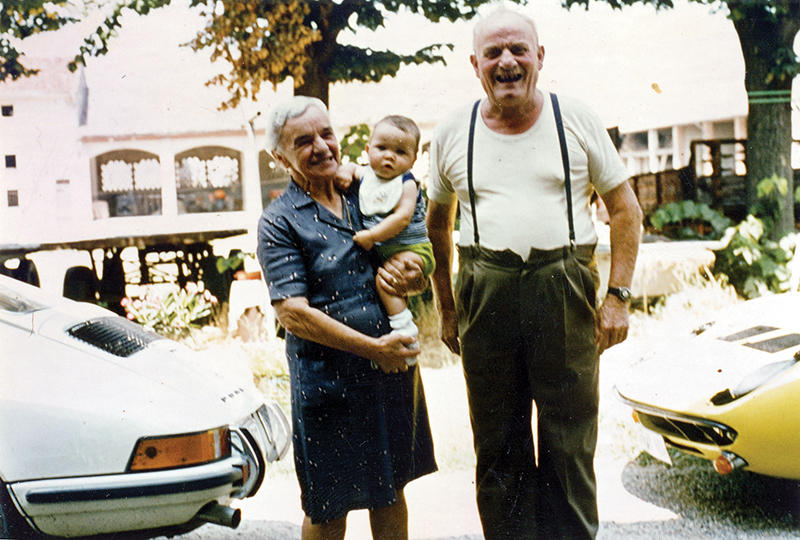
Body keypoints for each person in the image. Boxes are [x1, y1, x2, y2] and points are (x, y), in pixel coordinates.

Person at [426, 8, 642, 540]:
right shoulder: (453, 130)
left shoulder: (576, 119)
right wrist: (448, 308)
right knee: (498, 446)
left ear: (539, 57)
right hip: (485, 290)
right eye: (494, 53)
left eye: (519, 50)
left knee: (569, 444)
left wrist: (617, 297)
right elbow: (436, 225)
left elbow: (625, 211)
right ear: (475, 63)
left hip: (561, 286)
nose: (507, 62)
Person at [256, 96, 437, 540]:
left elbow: (415, 238)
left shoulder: (366, 189)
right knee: (328, 506)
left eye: (326, 133)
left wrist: (415, 273)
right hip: (329, 382)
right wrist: (376, 348)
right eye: (303, 141)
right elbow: (294, 314)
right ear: (280, 157)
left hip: (390, 370)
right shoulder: (279, 222)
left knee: (391, 491)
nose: (321, 146)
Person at [337, 115, 435, 356]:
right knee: (385, 280)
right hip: (388, 252)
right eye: (382, 148)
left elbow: (402, 218)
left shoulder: (407, 183)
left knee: (387, 282)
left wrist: (371, 236)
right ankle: (403, 327)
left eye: (400, 152)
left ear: (413, 160)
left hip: (414, 250)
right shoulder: (367, 176)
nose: (389, 156)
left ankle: (405, 330)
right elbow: (352, 169)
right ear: (368, 150)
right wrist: (346, 171)